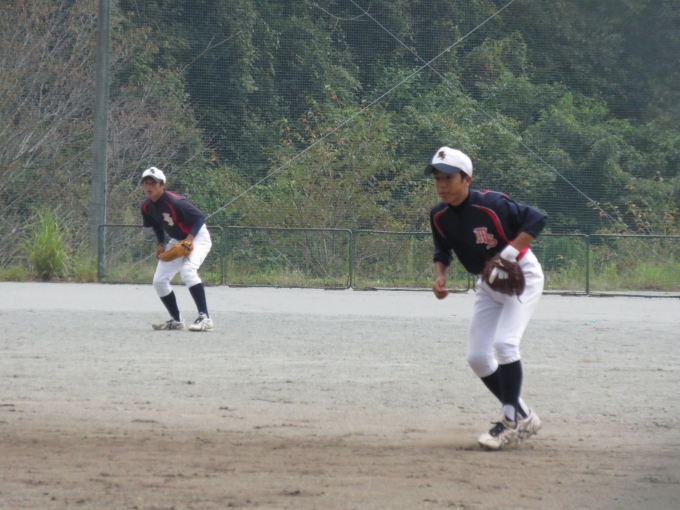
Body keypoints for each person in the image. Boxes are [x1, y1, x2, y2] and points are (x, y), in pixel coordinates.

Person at [425, 147, 546, 450]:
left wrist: (508, 254)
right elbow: (442, 250)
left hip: (521, 277)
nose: (441, 185)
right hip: (489, 282)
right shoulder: (439, 215)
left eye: (448, 178)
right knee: (478, 357)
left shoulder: (492, 204)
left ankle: (511, 422)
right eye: (437, 178)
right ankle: (524, 415)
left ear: (466, 179)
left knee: (505, 344)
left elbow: (535, 219)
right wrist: (441, 275)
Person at [140, 166, 214, 332]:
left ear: (163, 185)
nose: (148, 186)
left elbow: (200, 217)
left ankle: (205, 318)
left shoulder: (175, 202)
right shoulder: (146, 206)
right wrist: (161, 244)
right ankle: (177, 320)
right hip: (177, 239)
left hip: (198, 237)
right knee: (159, 281)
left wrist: (189, 240)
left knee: (188, 271)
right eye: (145, 183)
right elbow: (156, 225)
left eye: (153, 183)